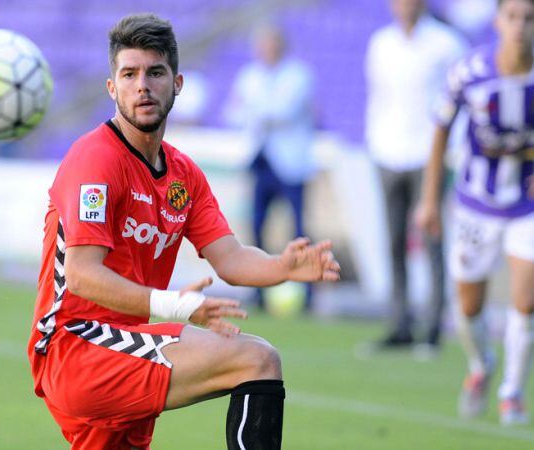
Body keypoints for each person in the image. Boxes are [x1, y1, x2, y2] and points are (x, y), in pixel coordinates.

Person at [27, 14, 340, 450]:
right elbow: (82, 275)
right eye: (129, 74)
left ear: (177, 83)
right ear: (111, 87)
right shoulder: (94, 160)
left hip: (125, 347)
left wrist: (281, 265)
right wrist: (177, 305)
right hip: (77, 349)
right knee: (257, 359)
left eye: (155, 73)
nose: (143, 86)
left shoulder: (183, 176)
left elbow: (229, 259)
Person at [416, 0, 534, 425]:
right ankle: (482, 365)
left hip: (526, 206)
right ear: (498, 21)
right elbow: (440, 129)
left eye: (528, 17)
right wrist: (430, 200)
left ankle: (512, 392)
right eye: (513, 16)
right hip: (475, 206)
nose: (520, 26)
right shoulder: (470, 72)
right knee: (468, 306)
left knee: (526, 299)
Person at [365, 0, 466, 353]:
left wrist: (453, 151)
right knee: (394, 241)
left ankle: (434, 327)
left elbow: (462, 99)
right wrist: (374, 141)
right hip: (388, 151)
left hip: (429, 155)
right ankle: (401, 323)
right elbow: (378, 97)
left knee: (432, 239)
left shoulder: (446, 43)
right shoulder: (381, 44)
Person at [223, 24, 316, 311]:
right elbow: (233, 111)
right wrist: (258, 110)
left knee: (299, 229)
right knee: (257, 226)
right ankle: (258, 288)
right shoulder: (250, 76)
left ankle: (308, 291)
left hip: (290, 163)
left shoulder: (298, 74)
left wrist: (254, 109)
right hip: (260, 159)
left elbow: (284, 111)